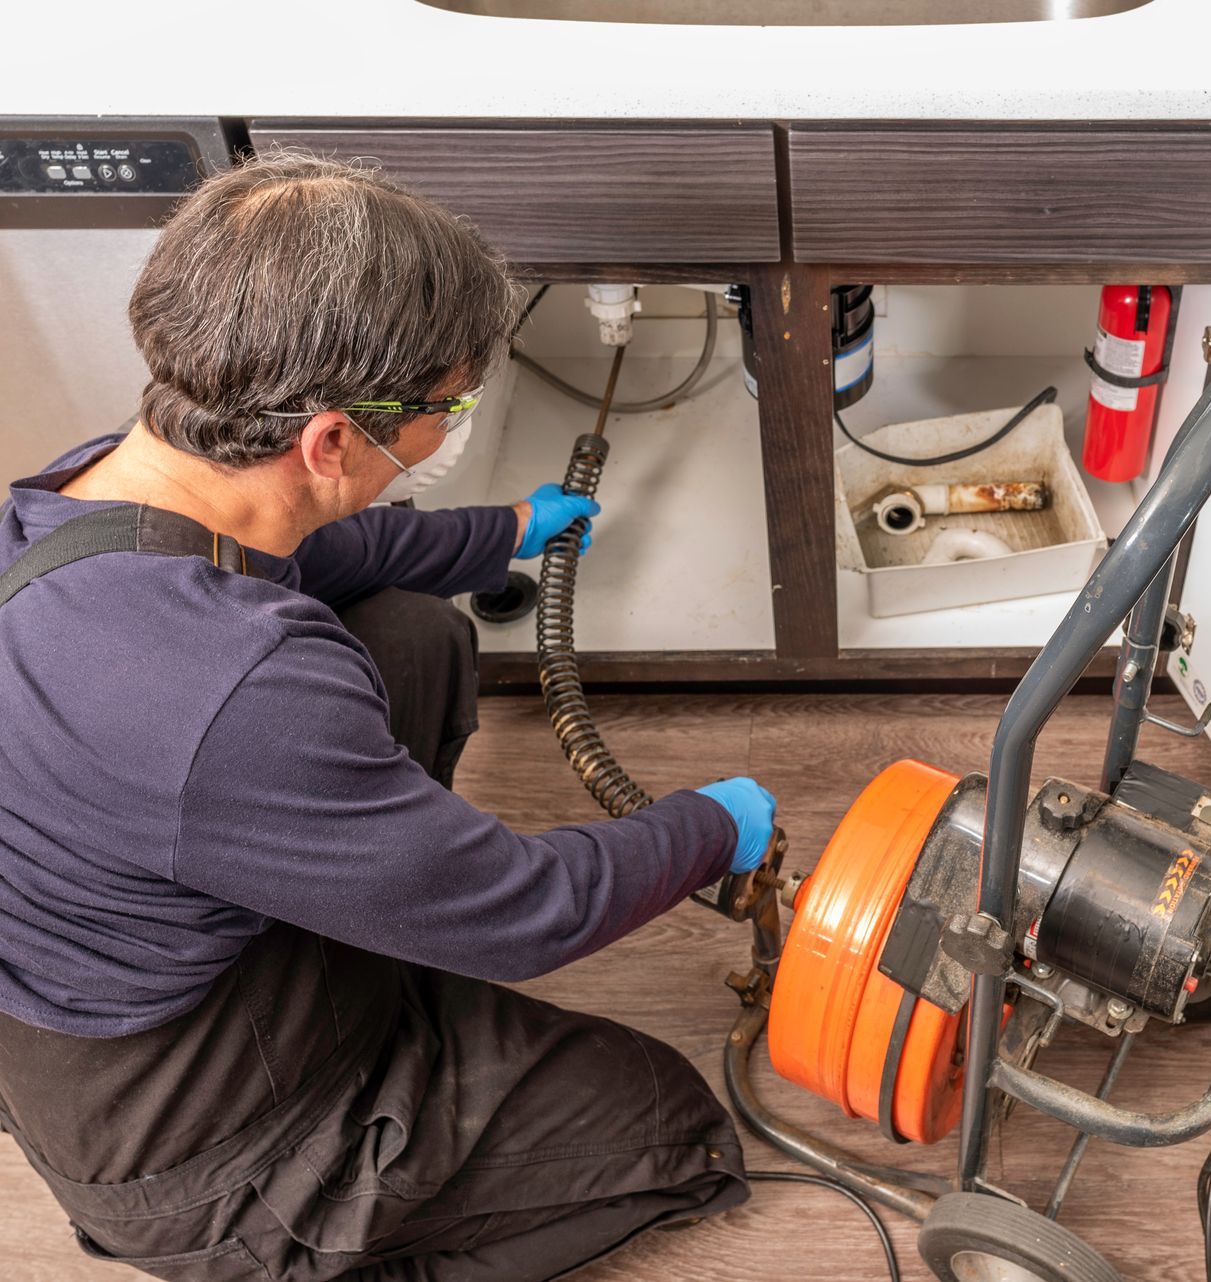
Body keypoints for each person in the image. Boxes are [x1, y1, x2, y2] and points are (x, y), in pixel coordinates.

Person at [0, 152, 774, 1281]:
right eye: (446, 408)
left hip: (130, 948)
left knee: (412, 630)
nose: (452, 423)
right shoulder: (240, 690)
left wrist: (502, 528)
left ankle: (381, 881)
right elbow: (526, 911)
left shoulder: (81, 496)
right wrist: (715, 822)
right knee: (668, 1126)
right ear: (328, 440)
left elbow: (319, 543)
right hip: (189, 1133)